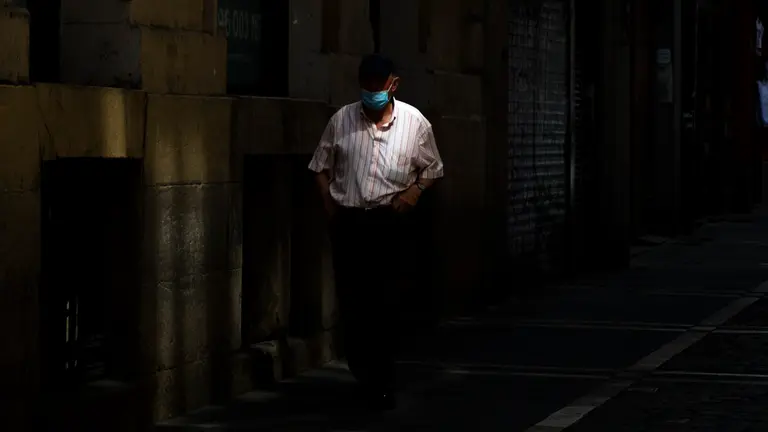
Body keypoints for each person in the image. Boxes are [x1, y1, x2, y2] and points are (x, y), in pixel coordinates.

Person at [307, 54, 444, 410]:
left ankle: (380, 379)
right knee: (354, 303)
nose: (371, 92)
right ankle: (363, 369)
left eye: (377, 85)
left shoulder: (415, 124)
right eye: (365, 85)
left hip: (389, 224)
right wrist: (328, 204)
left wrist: (413, 193)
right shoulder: (342, 121)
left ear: (392, 85)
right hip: (351, 223)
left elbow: (433, 168)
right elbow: (319, 166)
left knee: (385, 302)